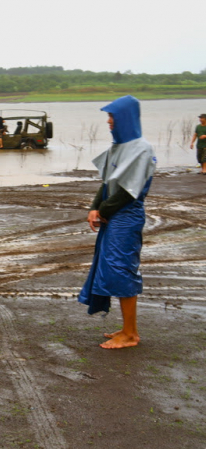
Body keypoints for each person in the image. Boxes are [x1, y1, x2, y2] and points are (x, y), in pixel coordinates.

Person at [78, 95, 156, 349]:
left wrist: (101, 210)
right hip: (113, 215)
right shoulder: (118, 146)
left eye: (113, 117)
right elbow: (107, 183)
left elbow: (127, 192)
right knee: (111, 268)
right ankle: (126, 328)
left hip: (127, 216)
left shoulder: (141, 148)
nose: (109, 122)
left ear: (126, 118)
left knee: (122, 269)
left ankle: (131, 334)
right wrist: (94, 208)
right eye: (108, 117)